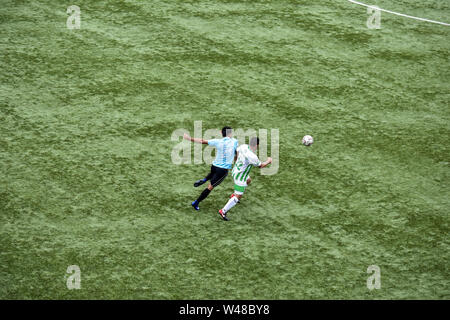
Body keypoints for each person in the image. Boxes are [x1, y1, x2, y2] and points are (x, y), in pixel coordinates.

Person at [183, 126, 238, 211]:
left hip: (214, 166)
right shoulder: (234, 142)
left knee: (212, 174)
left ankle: (205, 179)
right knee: (210, 187)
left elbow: (202, 141)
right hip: (223, 170)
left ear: (221, 132)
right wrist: (235, 161)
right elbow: (236, 154)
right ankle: (196, 202)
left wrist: (189, 138)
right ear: (230, 133)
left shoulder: (217, 141)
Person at [218, 137, 272, 221]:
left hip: (237, 170)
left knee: (248, 180)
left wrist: (236, 161)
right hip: (240, 176)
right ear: (257, 145)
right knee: (238, 196)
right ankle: (223, 211)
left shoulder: (243, 146)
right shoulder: (252, 156)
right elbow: (261, 166)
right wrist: (269, 160)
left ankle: (234, 195)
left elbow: (236, 152)